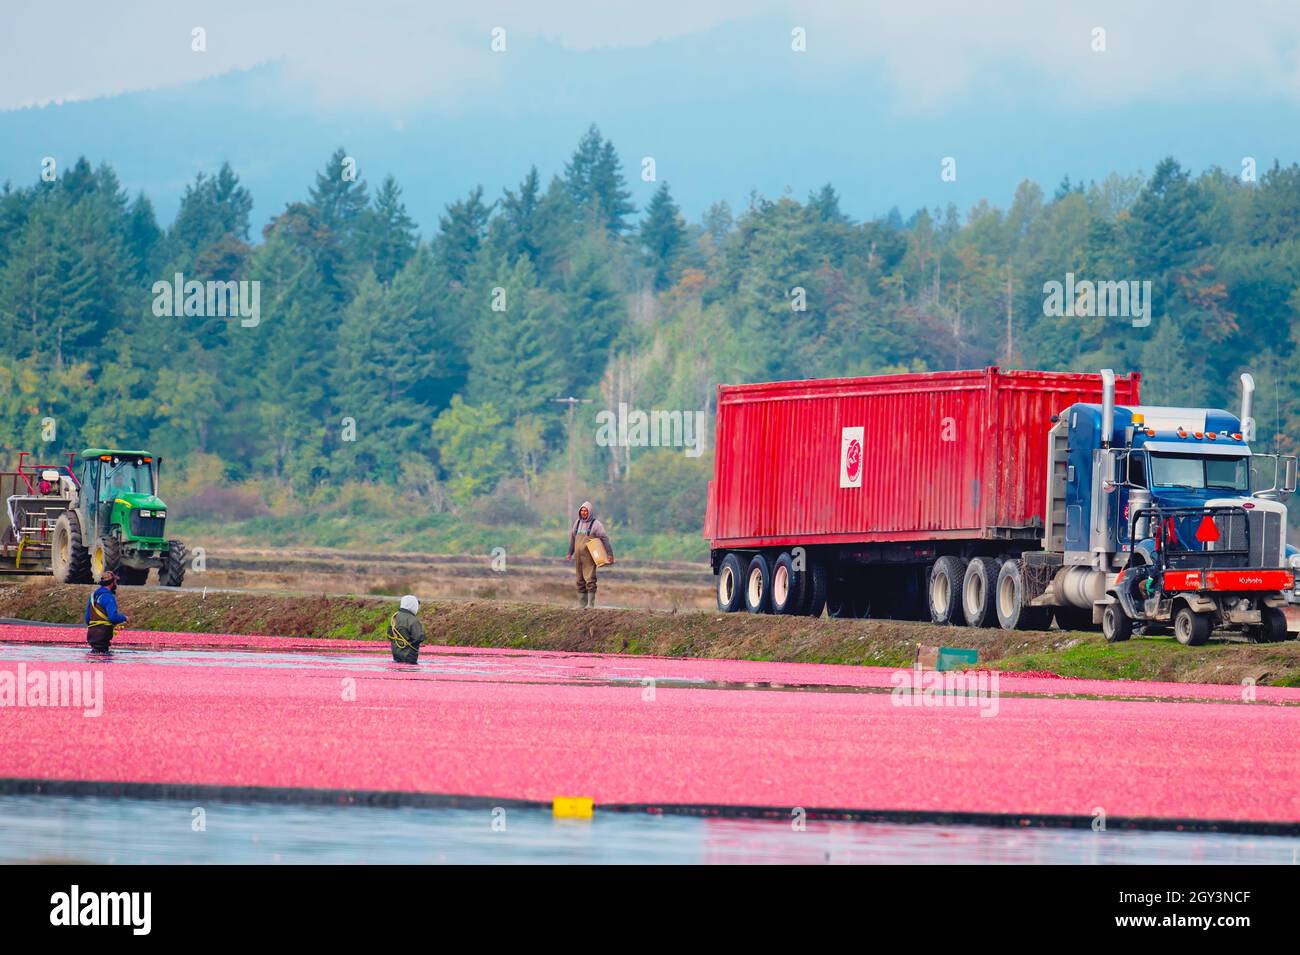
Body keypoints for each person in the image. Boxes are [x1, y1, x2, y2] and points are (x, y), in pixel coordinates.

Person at [565, 501, 614, 609]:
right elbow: (573, 539)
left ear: (590, 512)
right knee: (579, 580)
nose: (583, 512)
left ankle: (590, 604)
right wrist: (569, 552)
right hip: (578, 557)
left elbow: (604, 539)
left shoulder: (596, 524)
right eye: (582, 510)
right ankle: (582, 604)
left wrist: (609, 554)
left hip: (589, 557)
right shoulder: (577, 523)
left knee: (590, 579)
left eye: (585, 511)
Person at [85, 571, 127, 652]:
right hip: (102, 634)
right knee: (104, 659)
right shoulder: (108, 597)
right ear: (112, 583)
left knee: (94, 657)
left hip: (91, 634)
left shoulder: (93, 597)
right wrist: (124, 618)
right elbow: (113, 618)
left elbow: (87, 619)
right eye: (115, 581)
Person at [387, 594, 425, 663]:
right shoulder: (413, 620)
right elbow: (419, 637)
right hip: (409, 656)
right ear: (413, 605)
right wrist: (411, 643)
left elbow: (389, 634)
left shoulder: (395, 617)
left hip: (396, 654)